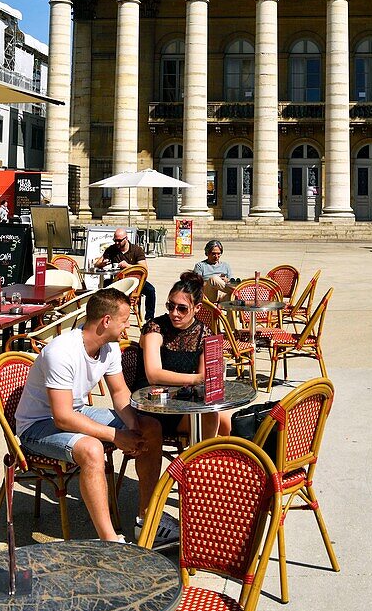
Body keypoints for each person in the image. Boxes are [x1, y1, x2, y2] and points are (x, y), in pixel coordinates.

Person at [15, 288, 162, 542]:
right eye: (125, 320)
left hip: (76, 411)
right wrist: (117, 436)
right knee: (92, 449)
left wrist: (134, 428)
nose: (128, 326)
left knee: (150, 427)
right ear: (106, 321)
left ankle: (145, 519)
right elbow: (62, 417)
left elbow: (119, 393)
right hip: (37, 426)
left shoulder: (110, 347)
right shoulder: (61, 352)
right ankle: (109, 540)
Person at [134, 271, 230, 542]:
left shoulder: (205, 334)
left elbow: (209, 380)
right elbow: (154, 373)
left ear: (197, 309)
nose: (174, 313)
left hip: (182, 408)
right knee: (151, 431)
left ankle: (202, 499)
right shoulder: (155, 328)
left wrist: (203, 380)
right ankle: (147, 515)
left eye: (182, 308)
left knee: (216, 418)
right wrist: (197, 379)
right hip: (151, 405)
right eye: (170, 306)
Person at [94, 228, 156, 321]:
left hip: (135, 283)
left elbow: (144, 269)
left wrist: (128, 266)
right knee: (105, 285)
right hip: (119, 282)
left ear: (126, 238)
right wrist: (102, 264)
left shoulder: (136, 250)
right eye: (115, 240)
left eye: (119, 241)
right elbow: (97, 263)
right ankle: (106, 313)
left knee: (150, 290)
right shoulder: (112, 249)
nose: (117, 243)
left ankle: (149, 318)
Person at [193, 239, 237, 303]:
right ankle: (237, 291)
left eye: (218, 254)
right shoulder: (200, 266)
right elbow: (195, 285)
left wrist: (227, 280)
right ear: (207, 253)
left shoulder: (225, 265)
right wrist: (212, 283)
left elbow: (231, 282)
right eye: (213, 254)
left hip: (223, 294)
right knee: (213, 278)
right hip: (208, 295)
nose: (216, 256)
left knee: (233, 300)